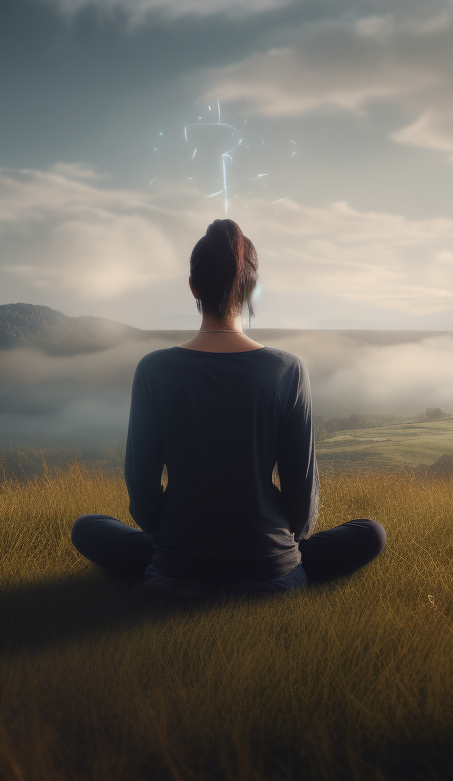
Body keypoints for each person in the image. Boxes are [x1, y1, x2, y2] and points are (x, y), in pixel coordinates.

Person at [70, 218, 386, 598]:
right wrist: (284, 543)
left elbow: (142, 493)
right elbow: (301, 498)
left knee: (87, 528)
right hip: (270, 572)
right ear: (251, 288)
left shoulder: (153, 369)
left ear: (193, 287)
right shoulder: (288, 370)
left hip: (174, 569)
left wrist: (173, 542)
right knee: (371, 533)